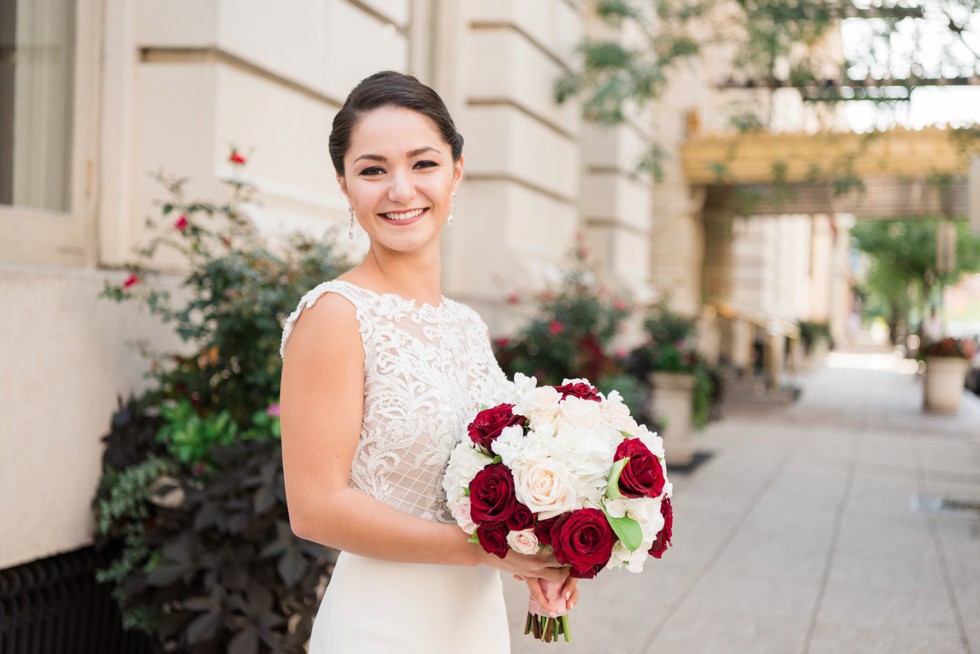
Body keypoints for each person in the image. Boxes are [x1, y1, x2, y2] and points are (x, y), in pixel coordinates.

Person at [279, 71, 578, 653]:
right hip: (381, 625)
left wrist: (545, 555)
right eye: (372, 170)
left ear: (456, 172)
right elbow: (315, 510)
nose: (400, 190)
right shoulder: (336, 315)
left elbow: (479, 496)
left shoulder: (467, 325)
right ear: (345, 186)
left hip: (473, 622)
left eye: (423, 164)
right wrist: (490, 551)